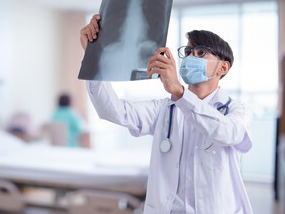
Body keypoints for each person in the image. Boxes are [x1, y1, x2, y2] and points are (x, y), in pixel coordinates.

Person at [80, 14, 253, 213]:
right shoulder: (165, 109)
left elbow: (228, 133)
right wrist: (92, 55)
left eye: (200, 53)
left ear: (223, 67)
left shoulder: (237, 110)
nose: (190, 57)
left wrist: (179, 92)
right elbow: (112, 110)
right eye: (188, 51)